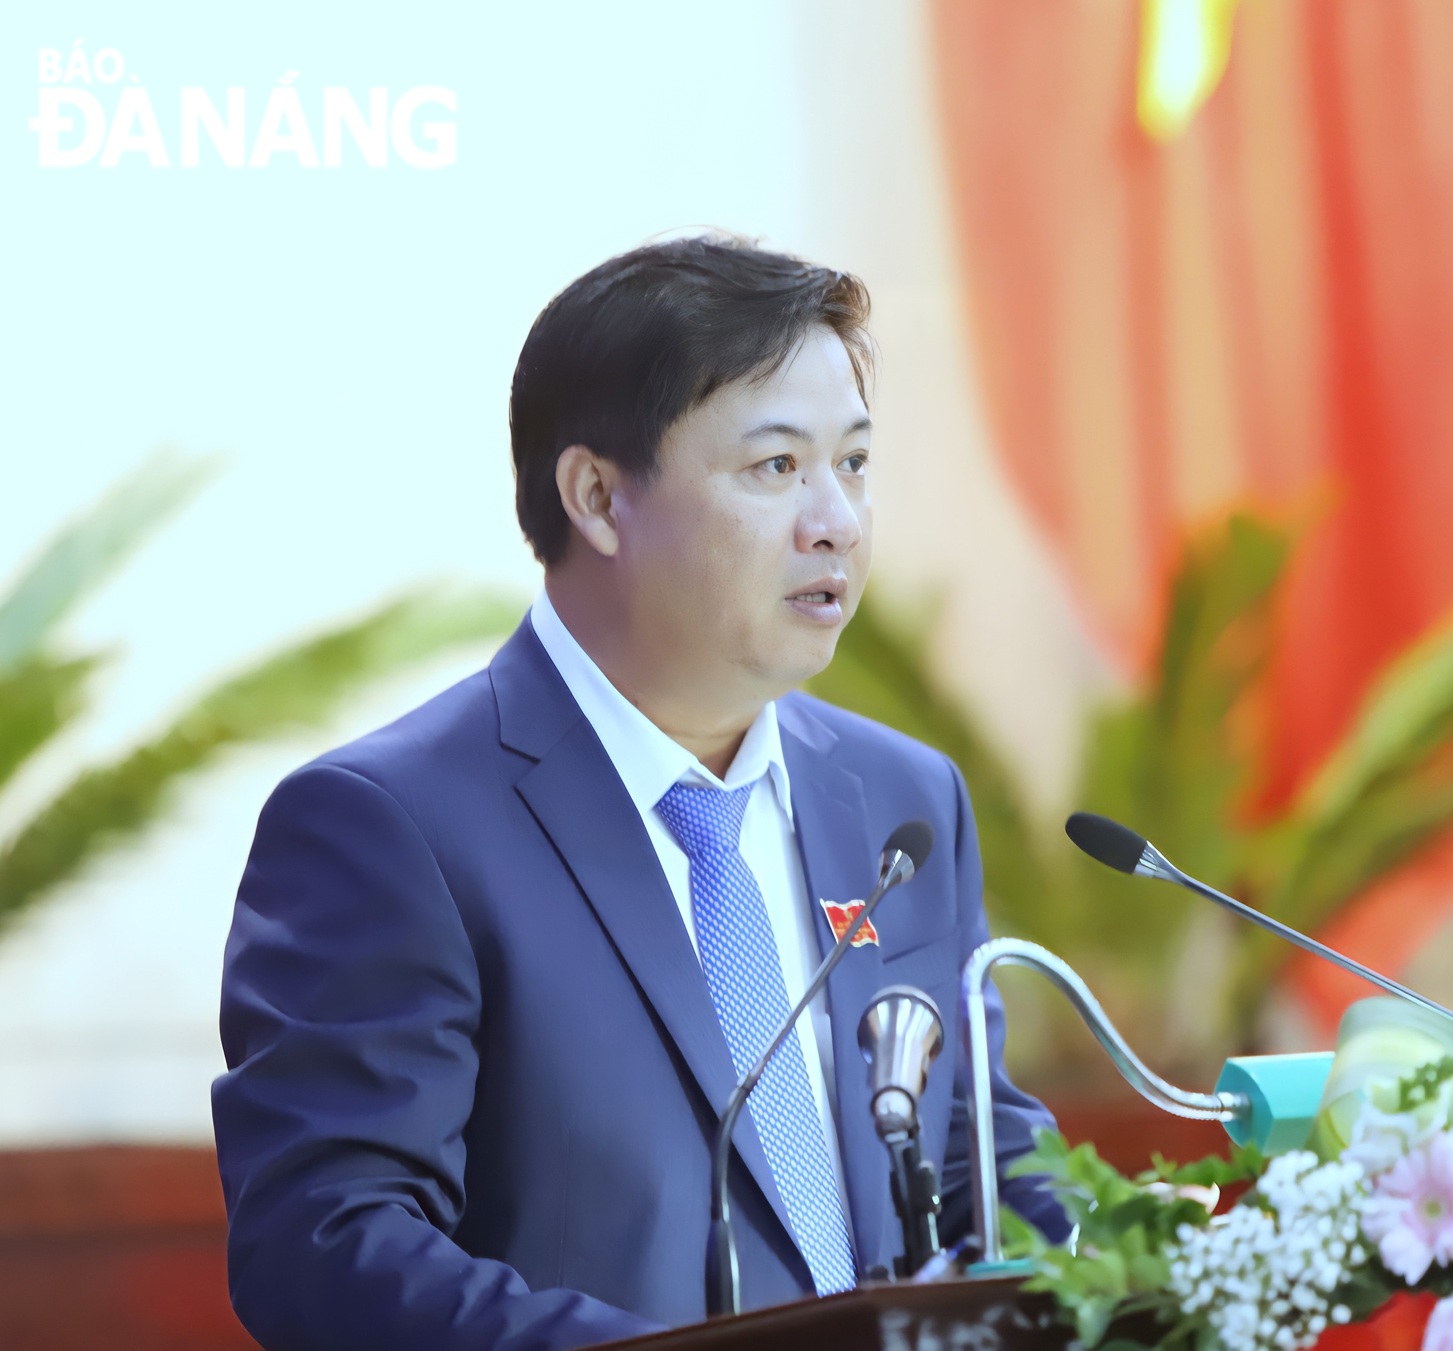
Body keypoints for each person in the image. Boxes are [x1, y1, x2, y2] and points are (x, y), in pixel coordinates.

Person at [211, 236, 1069, 1351]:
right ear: (598, 497)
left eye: (853, 464)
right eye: (776, 468)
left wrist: (1148, 1264)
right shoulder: (390, 826)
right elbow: (327, 1245)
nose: (837, 523)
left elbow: (973, 1159)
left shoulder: (899, 799)